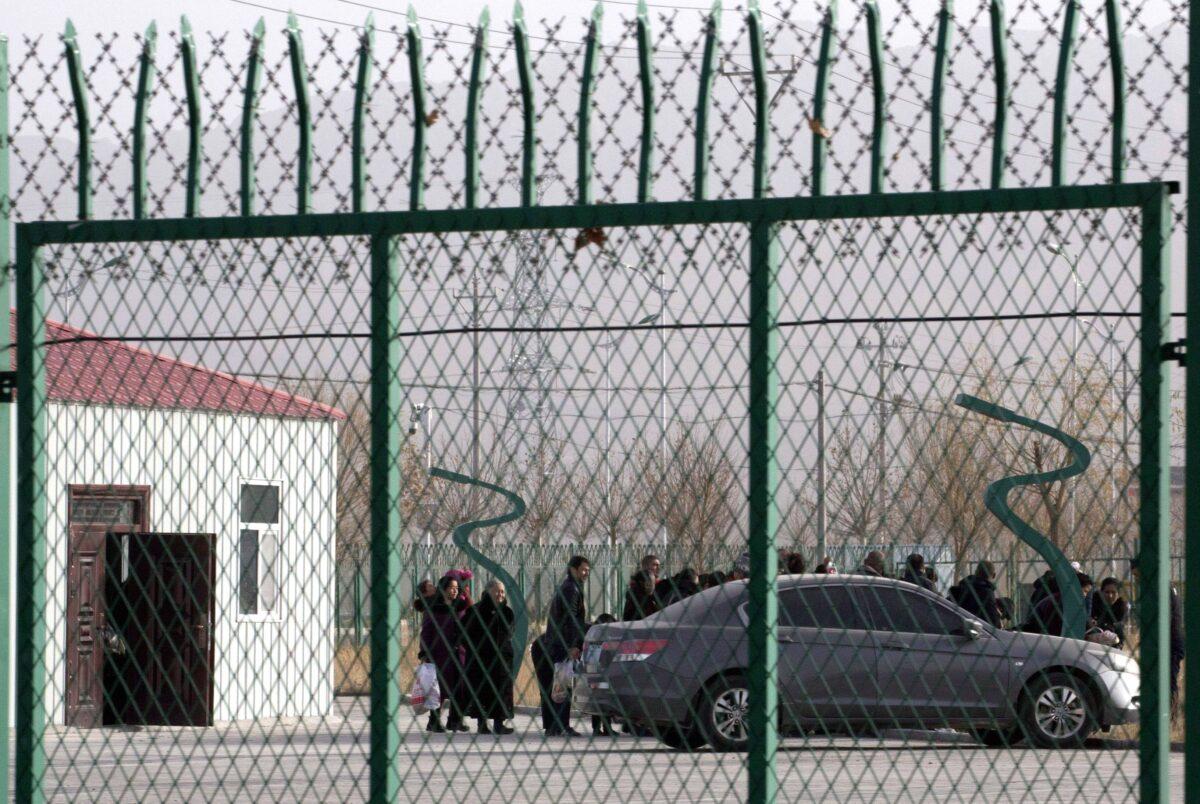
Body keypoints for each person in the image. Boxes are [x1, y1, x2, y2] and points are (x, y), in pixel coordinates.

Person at [532, 555, 590, 736]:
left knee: (556, 684)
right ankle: (559, 725)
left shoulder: (570, 587)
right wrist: (572, 645)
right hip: (561, 644)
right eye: (583, 569)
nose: (586, 573)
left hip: (554, 642)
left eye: (588, 570)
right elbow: (571, 619)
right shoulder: (571, 589)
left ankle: (554, 726)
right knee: (562, 683)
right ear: (573, 569)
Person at [462, 579, 516, 735]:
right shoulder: (476, 611)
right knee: (482, 690)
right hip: (481, 660)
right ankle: (482, 724)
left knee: (501, 690)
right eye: (496, 591)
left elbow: (509, 633)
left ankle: (499, 723)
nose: (500, 594)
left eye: (502, 591)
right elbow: (464, 633)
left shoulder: (507, 612)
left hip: (502, 660)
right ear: (488, 592)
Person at [1130, 558, 1184, 711]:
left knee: (1168, 681)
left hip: (1170, 642)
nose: (1137, 580)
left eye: (1138, 575)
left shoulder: (1160, 588)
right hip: (1167, 641)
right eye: (1134, 576)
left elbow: (1164, 619)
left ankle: (1169, 714)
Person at [419, 576, 469, 733]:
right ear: (443, 589)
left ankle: (455, 720)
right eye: (451, 588)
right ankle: (433, 721)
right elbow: (426, 632)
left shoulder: (460, 607)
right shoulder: (434, 608)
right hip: (440, 654)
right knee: (438, 689)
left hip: (459, 653)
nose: (454, 591)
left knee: (460, 687)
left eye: (456, 588)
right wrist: (424, 653)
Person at [1021, 571, 1093, 637]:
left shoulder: (1062, 600)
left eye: (1087, 592)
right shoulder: (1059, 603)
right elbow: (1054, 631)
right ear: (1075, 588)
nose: (1085, 595)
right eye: (1084, 591)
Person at [950, 561, 1002, 627]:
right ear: (994, 575)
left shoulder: (961, 588)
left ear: (975, 572)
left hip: (957, 629)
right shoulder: (986, 593)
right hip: (980, 633)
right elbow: (994, 622)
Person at [591, 613, 618, 737]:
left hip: (593, 670)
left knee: (597, 699)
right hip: (601, 670)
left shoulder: (593, 635)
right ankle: (606, 728)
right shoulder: (605, 637)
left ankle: (597, 728)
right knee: (603, 699)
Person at [1090, 577, 1129, 649]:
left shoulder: (1122, 607)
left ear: (1119, 594)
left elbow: (1120, 632)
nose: (1110, 596)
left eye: (1113, 593)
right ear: (1101, 592)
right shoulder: (1093, 602)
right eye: (1107, 592)